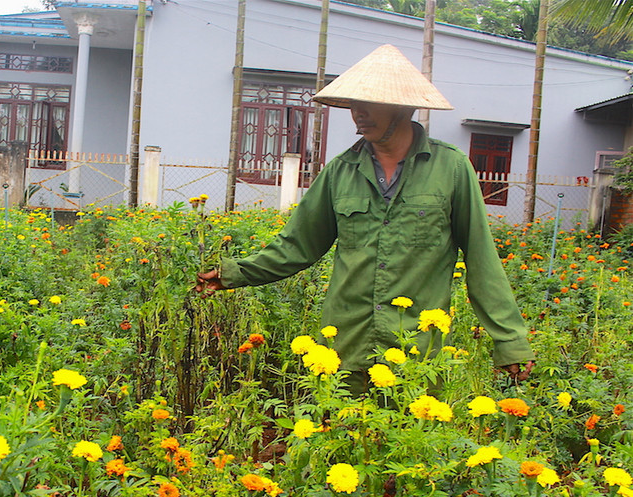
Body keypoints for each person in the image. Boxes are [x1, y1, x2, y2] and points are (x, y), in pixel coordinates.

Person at [195, 44, 533, 390]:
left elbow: (481, 258)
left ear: (403, 108)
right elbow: (297, 246)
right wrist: (232, 274)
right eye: (354, 104)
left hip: (414, 355)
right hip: (346, 348)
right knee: (337, 438)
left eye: (369, 104)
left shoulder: (451, 169)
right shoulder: (340, 172)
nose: (358, 114)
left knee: (409, 440)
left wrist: (509, 340)